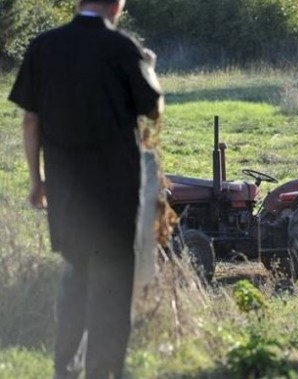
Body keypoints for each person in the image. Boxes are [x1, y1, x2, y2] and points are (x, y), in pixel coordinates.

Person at [8, 0, 164, 377]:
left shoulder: (43, 46)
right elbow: (154, 109)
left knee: (76, 277)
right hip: (116, 194)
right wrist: (151, 69)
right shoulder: (122, 48)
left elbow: (31, 121)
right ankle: (103, 372)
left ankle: (66, 369)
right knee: (112, 291)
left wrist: (37, 181)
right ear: (116, 5)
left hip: (65, 191)